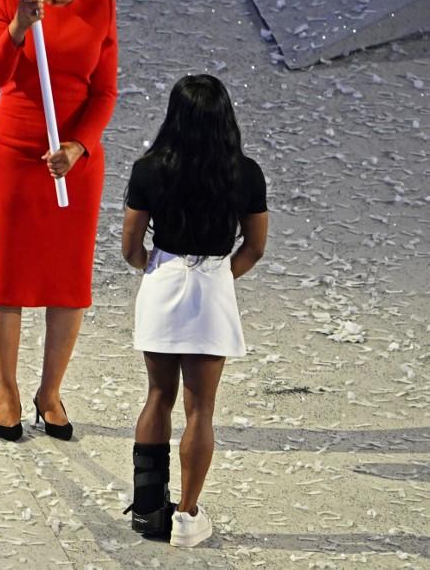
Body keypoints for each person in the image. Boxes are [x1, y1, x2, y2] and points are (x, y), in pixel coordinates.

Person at [0, 0, 118, 442]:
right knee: (10, 273)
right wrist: (19, 26)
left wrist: (79, 146)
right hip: (18, 153)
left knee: (68, 281)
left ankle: (50, 392)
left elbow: (104, 93)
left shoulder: (102, 9)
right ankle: (7, 391)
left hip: (76, 162)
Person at [121, 74, 268, 547]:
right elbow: (255, 247)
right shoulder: (245, 173)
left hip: (163, 287)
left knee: (157, 396)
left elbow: (130, 247)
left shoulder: (148, 169)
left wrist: (157, 269)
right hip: (212, 291)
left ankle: (147, 511)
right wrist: (221, 277)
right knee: (200, 408)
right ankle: (186, 515)